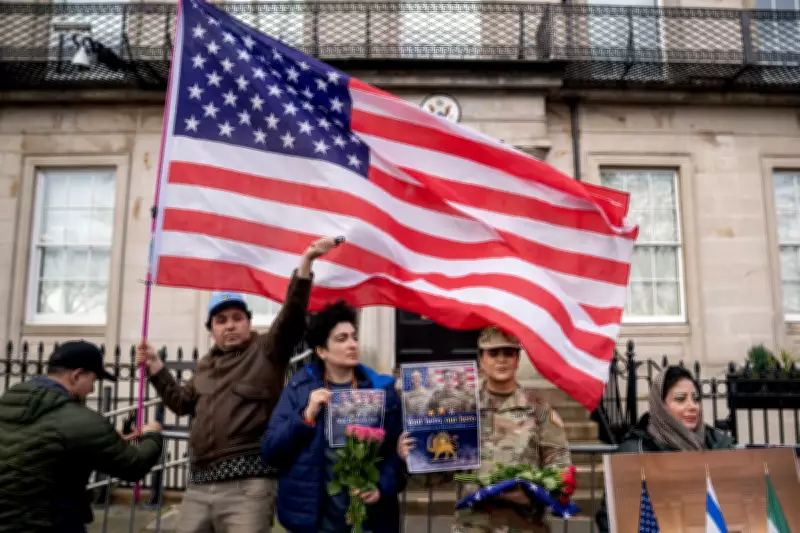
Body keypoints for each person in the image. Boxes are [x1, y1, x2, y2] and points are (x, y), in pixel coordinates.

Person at [136, 236, 340, 533]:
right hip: (199, 487)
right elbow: (180, 403)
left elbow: (292, 317)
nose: (229, 325)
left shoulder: (267, 350)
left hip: (249, 488)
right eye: (220, 320)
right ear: (211, 329)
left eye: (236, 318)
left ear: (248, 322)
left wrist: (305, 264)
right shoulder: (205, 365)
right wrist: (155, 366)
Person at [398, 326, 571, 533]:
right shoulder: (461, 409)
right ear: (481, 359)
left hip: (525, 525)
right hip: (473, 524)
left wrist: (531, 491)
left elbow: (560, 470)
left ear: (517, 359)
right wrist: (412, 455)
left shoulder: (539, 411)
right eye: (493, 353)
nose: (501, 360)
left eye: (508, 353)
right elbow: (441, 475)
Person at [261, 301, 406, 533]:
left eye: (354, 337)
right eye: (342, 339)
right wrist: (306, 416)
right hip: (316, 522)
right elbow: (271, 451)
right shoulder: (300, 389)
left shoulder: (382, 392)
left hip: (369, 522)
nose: (352, 345)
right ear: (321, 351)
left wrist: (381, 487)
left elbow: (396, 457)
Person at [0, 340, 163, 533]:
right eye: (93, 380)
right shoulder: (81, 419)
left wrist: (111, 439)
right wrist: (152, 435)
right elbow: (134, 465)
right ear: (77, 375)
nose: (93, 389)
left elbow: (42, 446)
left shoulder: (8, 405)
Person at [594, 365, 735, 533]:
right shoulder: (634, 451)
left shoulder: (718, 445)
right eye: (680, 399)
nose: (692, 406)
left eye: (695, 399)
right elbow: (611, 519)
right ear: (661, 405)